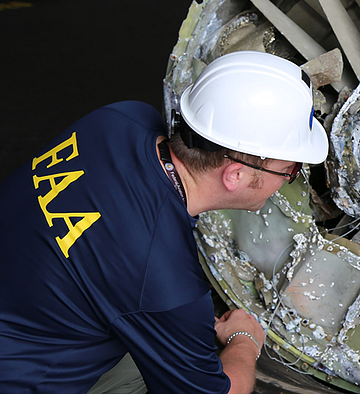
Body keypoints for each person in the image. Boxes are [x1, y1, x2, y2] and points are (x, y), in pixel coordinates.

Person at [0, 51, 330, 393]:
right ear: (236, 175)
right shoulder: (164, 283)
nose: (289, 178)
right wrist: (244, 341)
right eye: (289, 171)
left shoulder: (120, 117)